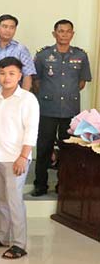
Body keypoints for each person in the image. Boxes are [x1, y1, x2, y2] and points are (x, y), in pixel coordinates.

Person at [0, 57, 39, 259]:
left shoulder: (27, 99)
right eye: (3, 73)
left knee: (14, 201)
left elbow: (31, 130)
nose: (7, 78)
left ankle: (19, 243)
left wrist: (23, 156)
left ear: (20, 75)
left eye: (12, 73)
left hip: (16, 158)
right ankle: (1, 237)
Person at [31, 19, 92, 196]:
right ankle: (40, 185)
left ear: (72, 34)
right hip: (48, 109)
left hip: (70, 110)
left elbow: (81, 82)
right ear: (54, 33)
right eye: (61, 31)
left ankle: (64, 185)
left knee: (68, 150)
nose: (64, 34)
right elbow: (36, 81)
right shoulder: (43, 55)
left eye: (68, 31)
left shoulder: (81, 56)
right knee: (44, 147)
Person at [0, 14, 36, 92]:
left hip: (14, 96)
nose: (8, 30)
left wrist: (23, 96)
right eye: (4, 26)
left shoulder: (21, 49)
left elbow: (27, 76)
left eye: (12, 27)